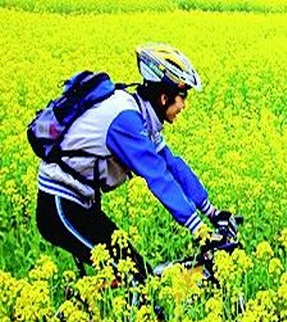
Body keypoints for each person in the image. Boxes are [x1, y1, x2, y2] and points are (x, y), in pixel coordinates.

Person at [36, 43, 237, 283]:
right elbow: (157, 175)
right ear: (164, 97)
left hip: (82, 204)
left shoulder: (142, 117)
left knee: (138, 272)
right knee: (136, 279)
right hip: (60, 206)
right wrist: (199, 230)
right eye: (183, 96)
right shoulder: (125, 120)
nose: (184, 106)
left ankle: (88, 300)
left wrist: (212, 212)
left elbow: (171, 165)